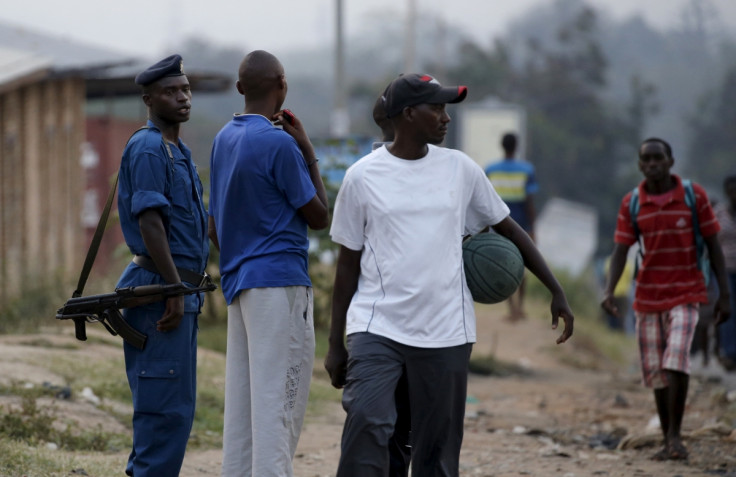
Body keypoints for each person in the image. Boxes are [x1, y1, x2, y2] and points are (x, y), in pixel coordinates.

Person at [324, 73, 574, 477]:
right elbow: (347, 265)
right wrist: (336, 343)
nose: (446, 118)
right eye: (437, 108)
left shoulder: (461, 170)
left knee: (435, 453)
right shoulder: (362, 177)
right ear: (408, 114)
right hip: (377, 325)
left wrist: (555, 289)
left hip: (446, 331)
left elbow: (510, 229)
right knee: (368, 424)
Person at [207, 50, 329, 477]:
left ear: (240, 88)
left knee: (243, 412)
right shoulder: (280, 144)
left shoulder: (223, 139)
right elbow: (319, 217)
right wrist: (307, 148)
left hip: (239, 284)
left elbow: (215, 231)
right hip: (279, 285)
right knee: (279, 410)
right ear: (283, 84)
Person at [601, 138, 731, 461]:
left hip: (687, 293)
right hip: (647, 296)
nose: (653, 164)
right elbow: (621, 250)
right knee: (657, 372)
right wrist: (609, 291)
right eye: (647, 159)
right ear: (640, 165)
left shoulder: (694, 196)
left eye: (659, 157)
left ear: (671, 161)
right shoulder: (632, 203)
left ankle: (675, 435)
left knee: (676, 360)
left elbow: (714, 245)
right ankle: (666, 438)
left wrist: (724, 295)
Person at [116, 54, 209, 476]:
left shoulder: (178, 151)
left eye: (186, 89)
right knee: (162, 412)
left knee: (174, 412)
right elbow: (150, 222)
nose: (182, 97)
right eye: (171, 92)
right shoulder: (151, 147)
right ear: (148, 99)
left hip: (176, 291)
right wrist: (173, 289)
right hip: (159, 291)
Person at [484, 133, 538, 321]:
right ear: (516, 146)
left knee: (502, 266)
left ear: (502, 146)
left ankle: (511, 308)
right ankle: (520, 307)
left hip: (498, 224)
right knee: (521, 266)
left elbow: (486, 201)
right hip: (521, 225)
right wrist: (532, 228)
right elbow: (529, 202)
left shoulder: (490, 169)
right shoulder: (527, 170)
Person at [715, 175, 736, 370]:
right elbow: (711, 241)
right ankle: (729, 353)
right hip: (724, 270)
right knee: (728, 310)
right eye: (731, 190)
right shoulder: (719, 213)